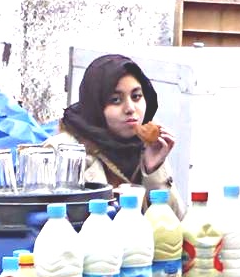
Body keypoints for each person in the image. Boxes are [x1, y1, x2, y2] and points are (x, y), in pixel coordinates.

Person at [48, 54, 185, 218]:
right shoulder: (62, 150)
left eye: (136, 96)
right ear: (95, 105)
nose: (130, 108)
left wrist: (153, 170)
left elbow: (175, 226)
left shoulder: (148, 144)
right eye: (115, 100)